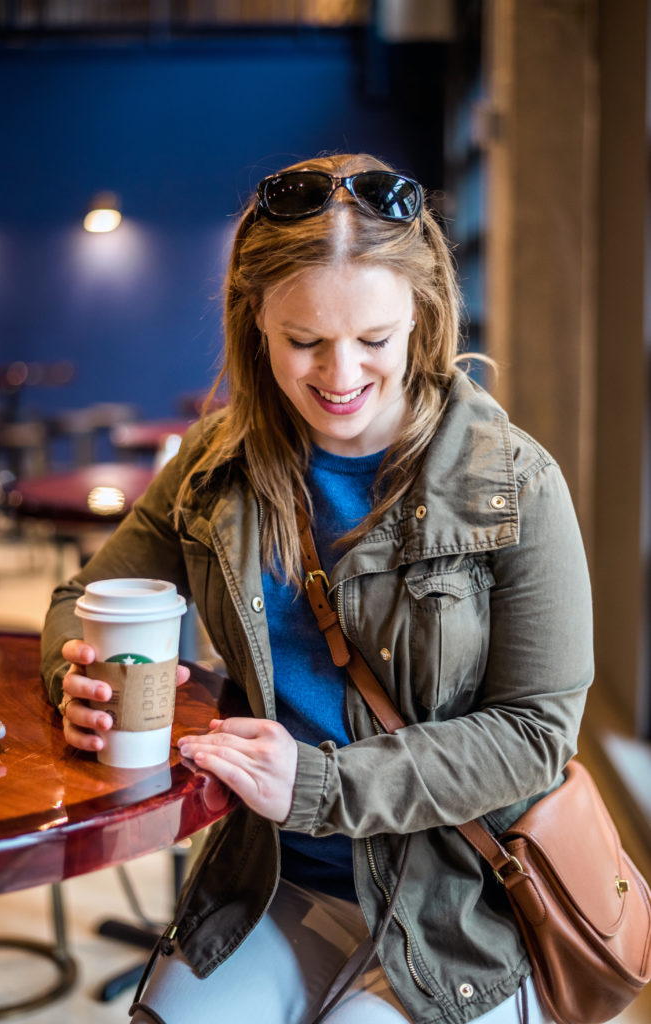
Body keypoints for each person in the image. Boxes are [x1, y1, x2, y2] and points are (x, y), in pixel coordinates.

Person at [40, 153, 593, 1024]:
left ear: (424, 314)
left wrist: (319, 784)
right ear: (253, 320)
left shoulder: (517, 483)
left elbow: (533, 738)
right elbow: (87, 599)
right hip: (274, 881)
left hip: (456, 906)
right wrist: (75, 679)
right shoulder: (212, 466)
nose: (340, 377)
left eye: (374, 340)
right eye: (304, 342)